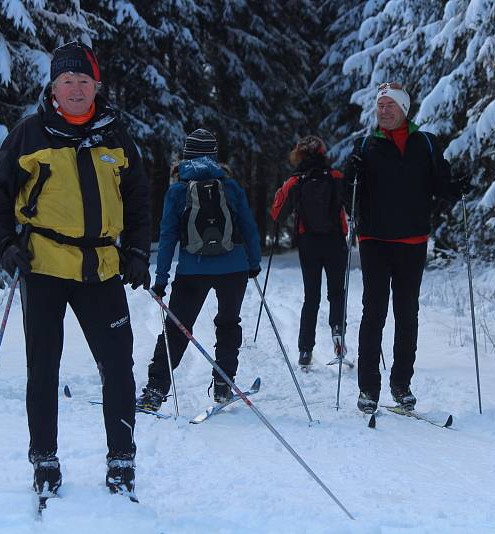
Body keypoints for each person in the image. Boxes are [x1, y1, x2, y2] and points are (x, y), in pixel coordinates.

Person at [0, 41, 150, 499]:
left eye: (83, 81)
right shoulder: (30, 134)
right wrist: (5, 246)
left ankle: (121, 460)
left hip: (102, 267)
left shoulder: (116, 136)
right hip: (44, 265)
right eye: (67, 81)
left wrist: (137, 251)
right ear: (54, 87)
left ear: (97, 85)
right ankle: (45, 460)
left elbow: (137, 200)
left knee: (118, 367)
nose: (76, 89)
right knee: (44, 368)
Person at [136, 129, 262, 411]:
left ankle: (155, 390)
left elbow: (167, 236)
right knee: (228, 324)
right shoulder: (229, 186)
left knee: (177, 328)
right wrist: (253, 262)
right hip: (234, 268)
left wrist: (161, 279)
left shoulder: (178, 189)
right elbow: (249, 226)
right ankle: (223, 386)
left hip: (193, 270)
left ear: (186, 155)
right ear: (214, 156)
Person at [345, 82, 452, 414]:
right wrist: (351, 178)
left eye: (390, 105)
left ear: (405, 109)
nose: (384, 110)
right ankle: (368, 388)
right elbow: (346, 196)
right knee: (373, 314)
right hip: (375, 241)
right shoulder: (365, 145)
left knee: (407, 315)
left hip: (413, 242)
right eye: (380, 106)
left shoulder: (425, 144)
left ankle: (401, 384)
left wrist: (456, 186)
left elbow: (441, 188)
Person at [270, 135, 348, 369]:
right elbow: (355, 205)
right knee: (336, 292)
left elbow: (277, 214)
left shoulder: (296, 181)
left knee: (311, 297)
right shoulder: (336, 177)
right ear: (323, 153)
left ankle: (305, 350)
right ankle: (338, 332)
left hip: (309, 243)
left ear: (299, 155)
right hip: (335, 241)